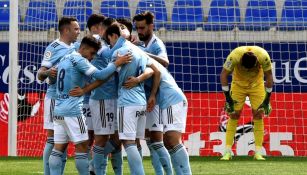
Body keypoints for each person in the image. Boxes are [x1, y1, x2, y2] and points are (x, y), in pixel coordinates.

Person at [48, 35, 131, 175]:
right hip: (73, 110)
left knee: (58, 149)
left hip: (58, 110)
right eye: (91, 53)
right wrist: (116, 63)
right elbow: (100, 75)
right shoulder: (79, 60)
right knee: (82, 146)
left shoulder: (65, 58)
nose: (92, 57)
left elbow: (52, 78)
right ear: (83, 48)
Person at [106, 24, 161, 175]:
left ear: (114, 36)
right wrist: (140, 81)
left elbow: (106, 75)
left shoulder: (118, 52)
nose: (109, 43)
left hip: (127, 102)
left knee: (128, 142)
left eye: (109, 39)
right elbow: (155, 70)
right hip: (141, 101)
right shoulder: (139, 51)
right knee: (136, 141)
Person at [123, 58, 192, 175]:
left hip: (171, 99)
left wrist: (144, 85)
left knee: (172, 140)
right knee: (166, 142)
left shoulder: (140, 57)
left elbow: (156, 70)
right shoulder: (139, 57)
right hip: (163, 102)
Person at [130, 11, 172, 175]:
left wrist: (141, 53)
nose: (139, 31)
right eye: (137, 28)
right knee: (143, 140)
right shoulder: (139, 43)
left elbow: (164, 62)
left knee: (156, 141)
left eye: (142, 28)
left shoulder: (156, 44)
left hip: (154, 99)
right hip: (140, 98)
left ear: (151, 26)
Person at [37, 16, 80, 175]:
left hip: (71, 100)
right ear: (66, 30)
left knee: (63, 141)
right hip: (54, 97)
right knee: (52, 138)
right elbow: (41, 74)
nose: (78, 31)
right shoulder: (53, 47)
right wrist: (48, 72)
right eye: (75, 29)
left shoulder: (77, 46)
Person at [220, 46, 273, 161]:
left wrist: (267, 99)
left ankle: (258, 153)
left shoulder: (263, 56)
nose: (248, 71)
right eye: (245, 68)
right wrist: (228, 97)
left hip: (257, 86)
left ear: (257, 63)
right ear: (240, 63)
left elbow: (269, 76)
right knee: (234, 114)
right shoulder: (234, 56)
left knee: (258, 114)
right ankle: (227, 152)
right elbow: (223, 75)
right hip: (238, 85)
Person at [86, 15, 124, 175]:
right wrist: (124, 42)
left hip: (113, 97)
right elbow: (110, 56)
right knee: (100, 139)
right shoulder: (97, 41)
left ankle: (101, 167)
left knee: (118, 138)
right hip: (102, 98)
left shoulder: (107, 45)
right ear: (100, 28)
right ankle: (94, 168)